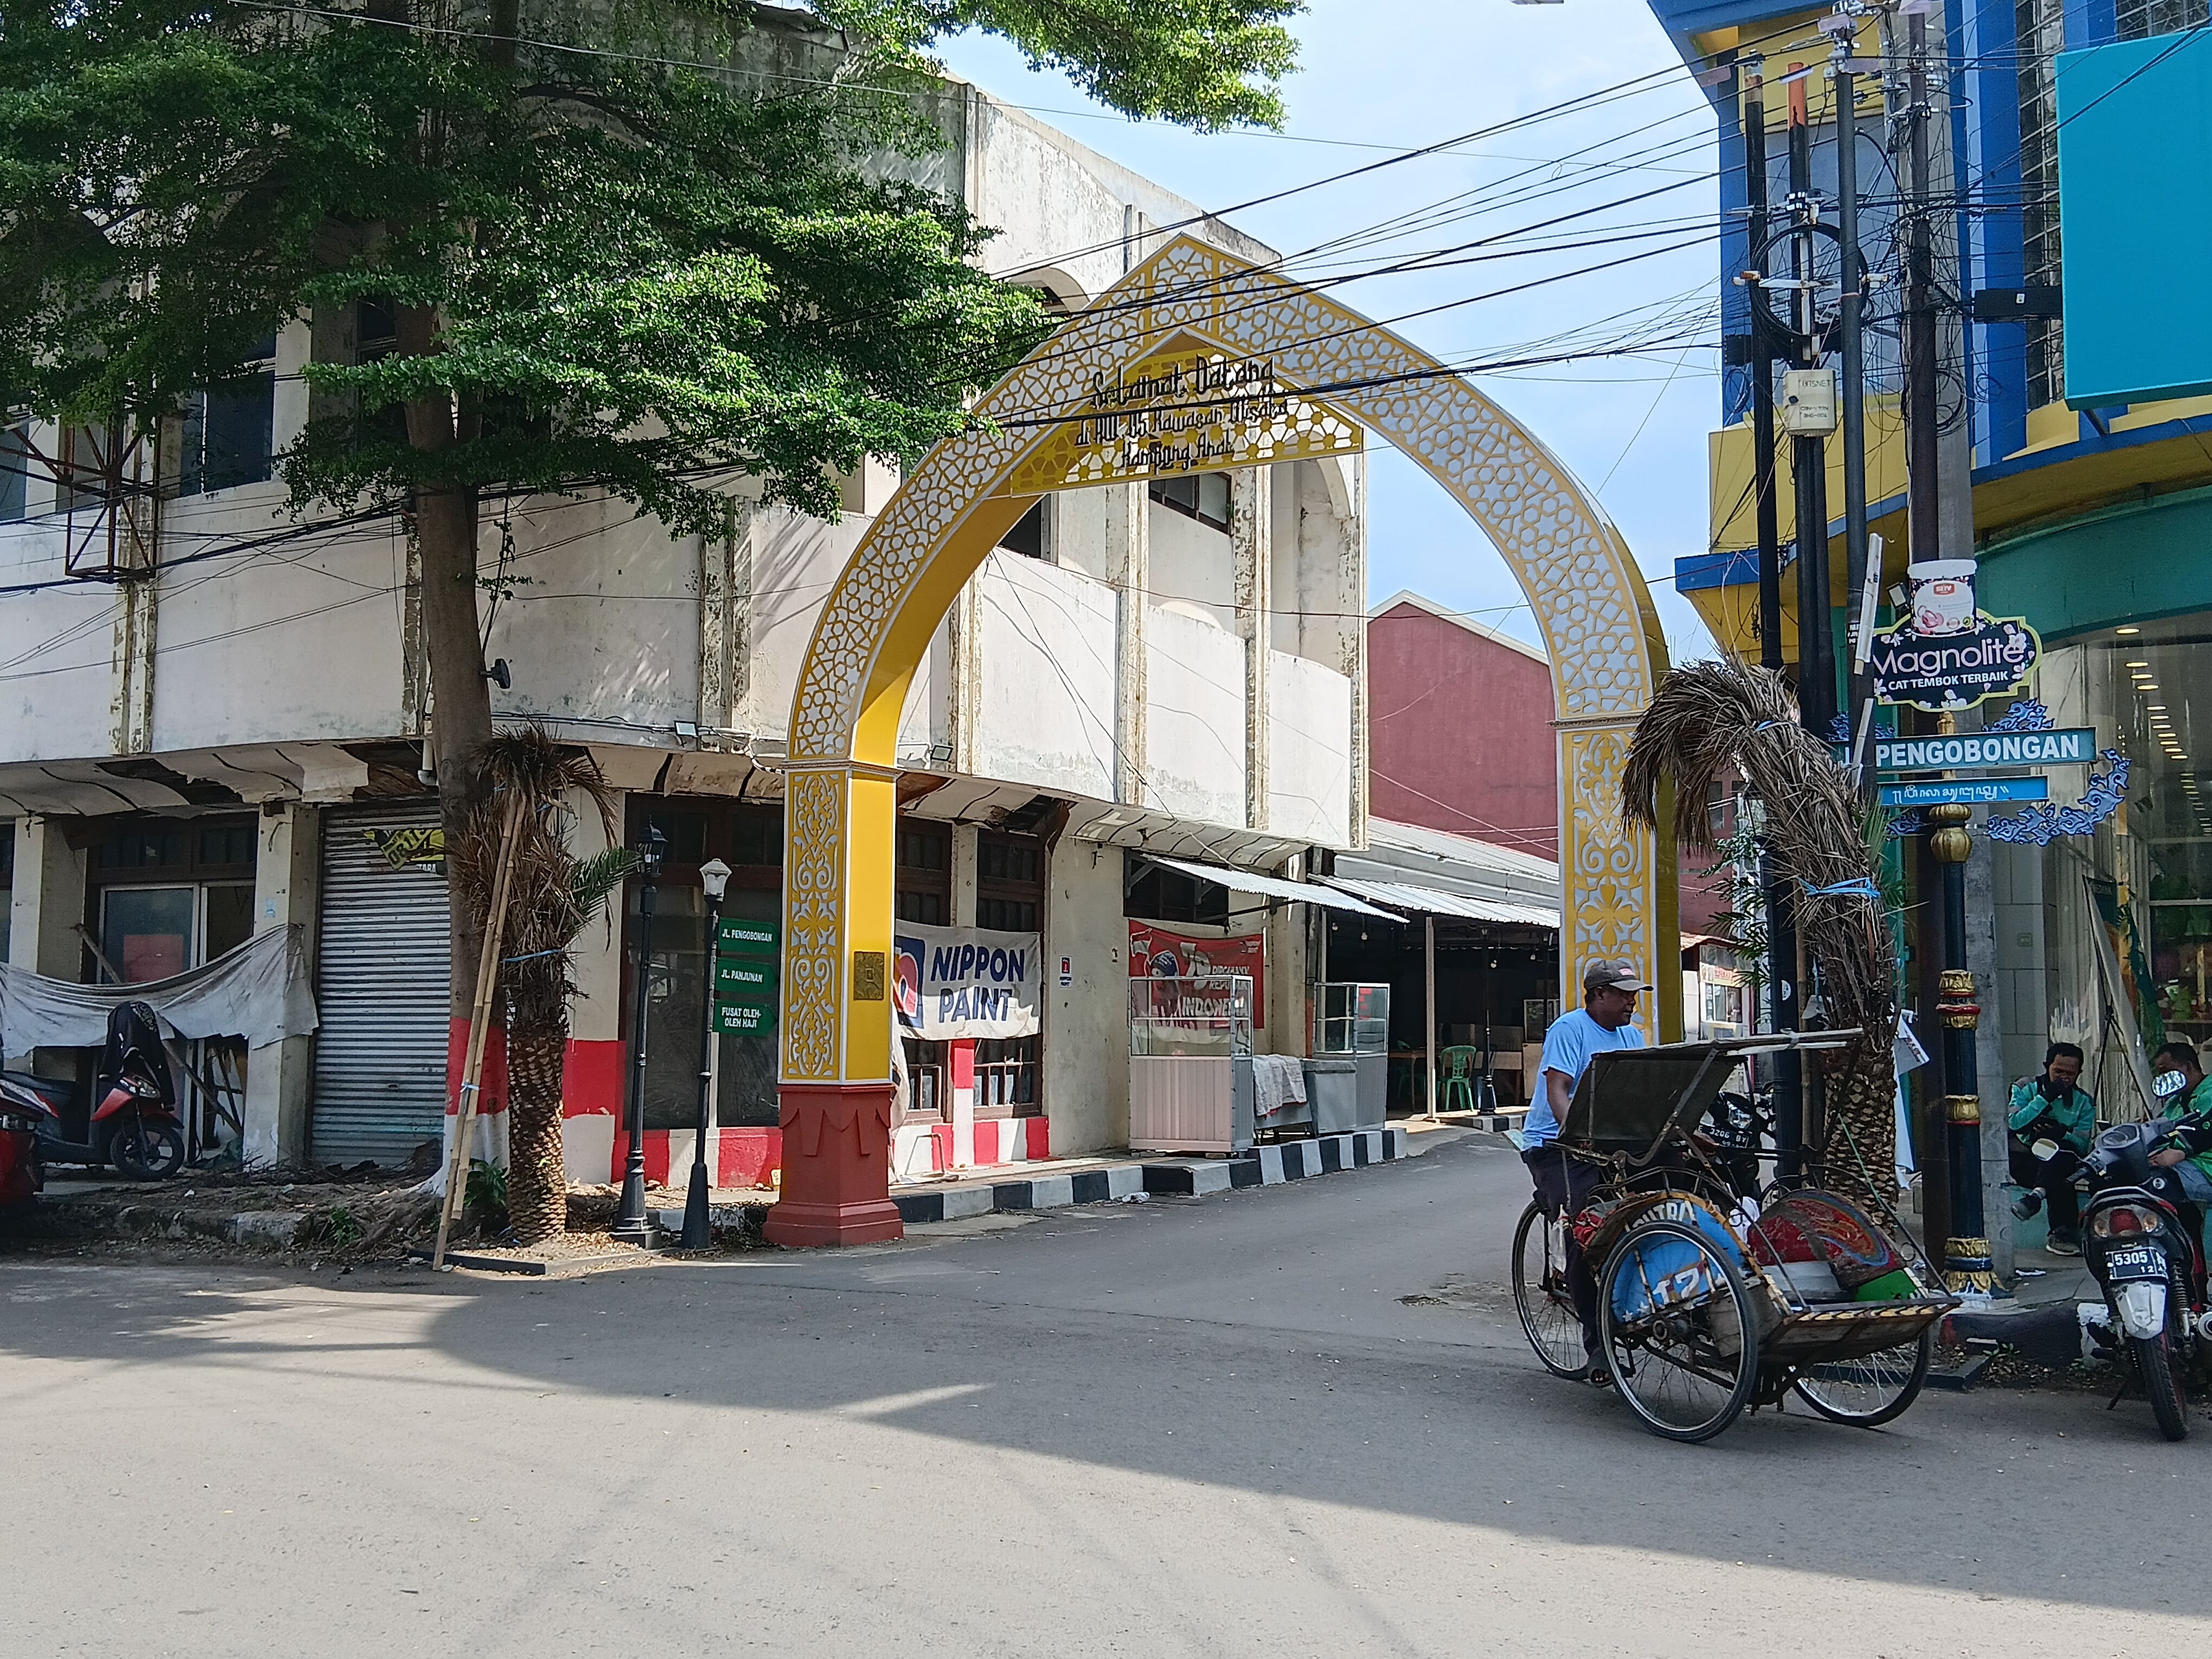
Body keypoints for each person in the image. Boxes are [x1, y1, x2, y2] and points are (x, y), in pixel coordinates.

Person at [1524, 959, 1651, 1384]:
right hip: (1554, 1146)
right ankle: (1598, 1343)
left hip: (1612, 1142)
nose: (1631, 1002)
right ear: (1598, 995)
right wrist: (1572, 1133)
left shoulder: (1633, 1036)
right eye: (1623, 994)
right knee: (1586, 1226)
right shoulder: (1570, 1028)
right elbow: (1556, 1088)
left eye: (1633, 994)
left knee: (1678, 1182)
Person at [2007, 1041, 2094, 1255]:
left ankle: (2036, 1199)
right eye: (2058, 1071)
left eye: (2070, 1074)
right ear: (2047, 1066)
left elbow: (2083, 1146)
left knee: (2060, 1160)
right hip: (2025, 1156)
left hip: (2061, 1158)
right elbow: (2015, 1123)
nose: (2063, 1078)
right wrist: (2046, 1098)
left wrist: (2061, 1132)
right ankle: (2063, 1233)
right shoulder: (2024, 1087)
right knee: (2059, 1175)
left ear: (2079, 1074)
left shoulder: (2084, 1102)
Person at [2147, 1039, 2212, 1214]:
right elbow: (2158, 1131)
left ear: (2188, 1066)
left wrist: (2178, 1152)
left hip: (2207, 1170)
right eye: (2160, 1074)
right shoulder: (2173, 1102)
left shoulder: (2210, 1093)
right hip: (2186, 1166)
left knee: (2158, 1184)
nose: (2164, 1079)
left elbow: (2202, 1130)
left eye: (2168, 1072)